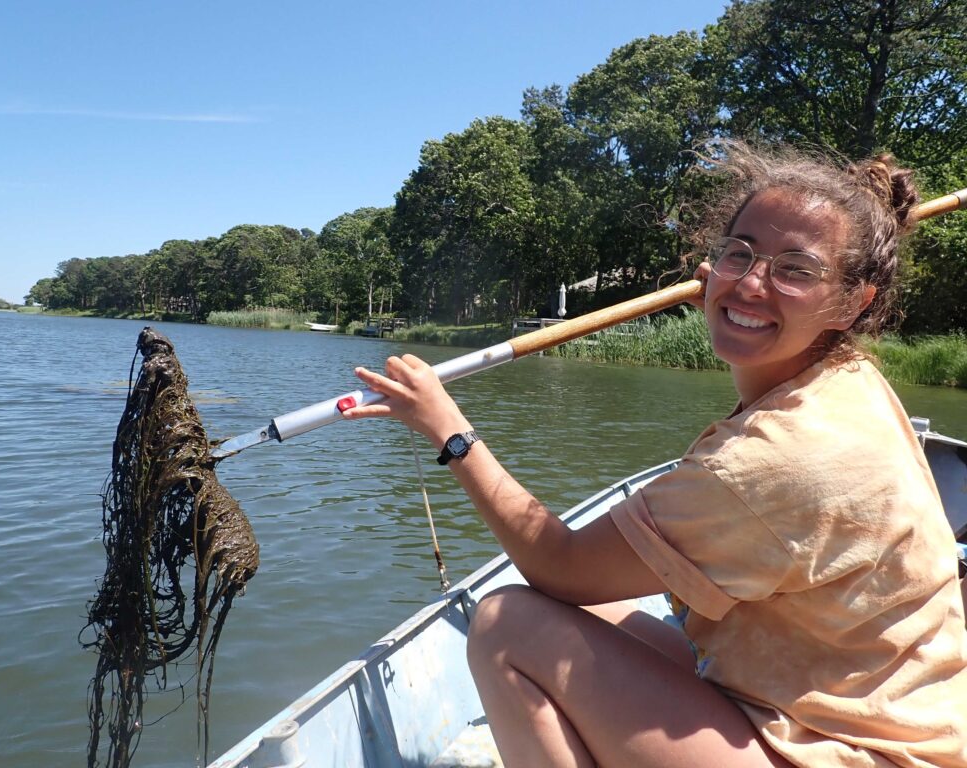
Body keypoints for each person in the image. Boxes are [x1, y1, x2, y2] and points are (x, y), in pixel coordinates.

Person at [341, 141, 967, 768]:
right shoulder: (850, 378)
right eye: (739, 254)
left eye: (795, 270)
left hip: (857, 751)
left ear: (853, 303)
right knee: (599, 611)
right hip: (846, 705)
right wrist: (751, 306)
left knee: (509, 623)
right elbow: (766, 380)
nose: (752, 281)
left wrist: (447, 427)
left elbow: (558, 565)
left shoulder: (772, 461)